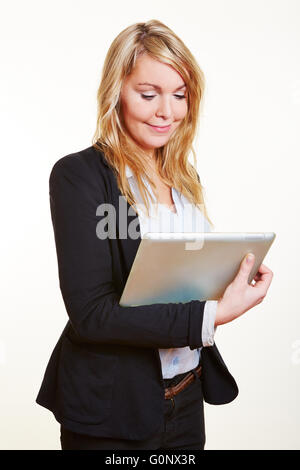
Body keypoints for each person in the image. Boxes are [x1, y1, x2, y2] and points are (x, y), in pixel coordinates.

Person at [36, 19, 273, 450]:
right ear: (117, 92)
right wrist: (212, 315)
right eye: (148, 94)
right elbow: (92, 314)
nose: (167, 111)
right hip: (112, 410)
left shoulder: (183, 177)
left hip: (186, 397)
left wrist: (230, 278)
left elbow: (176, 282)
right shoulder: (80, 177)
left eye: (179, 95)